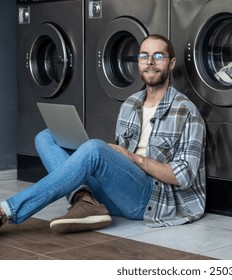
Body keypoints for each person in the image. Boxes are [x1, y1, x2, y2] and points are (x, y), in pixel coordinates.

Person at [0, 34, 206, 233]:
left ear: (171, 63)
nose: (150, 62)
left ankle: (6, 210)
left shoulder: (186, 111)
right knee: (45, 137)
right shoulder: (131, 104)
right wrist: (115, 156)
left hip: (153, 199)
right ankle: (85, 200)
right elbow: (118, 165)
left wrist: (134, 158)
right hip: (119, 192)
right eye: (144, 56)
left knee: (95, 148)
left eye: (158, 56)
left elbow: (184, 176)